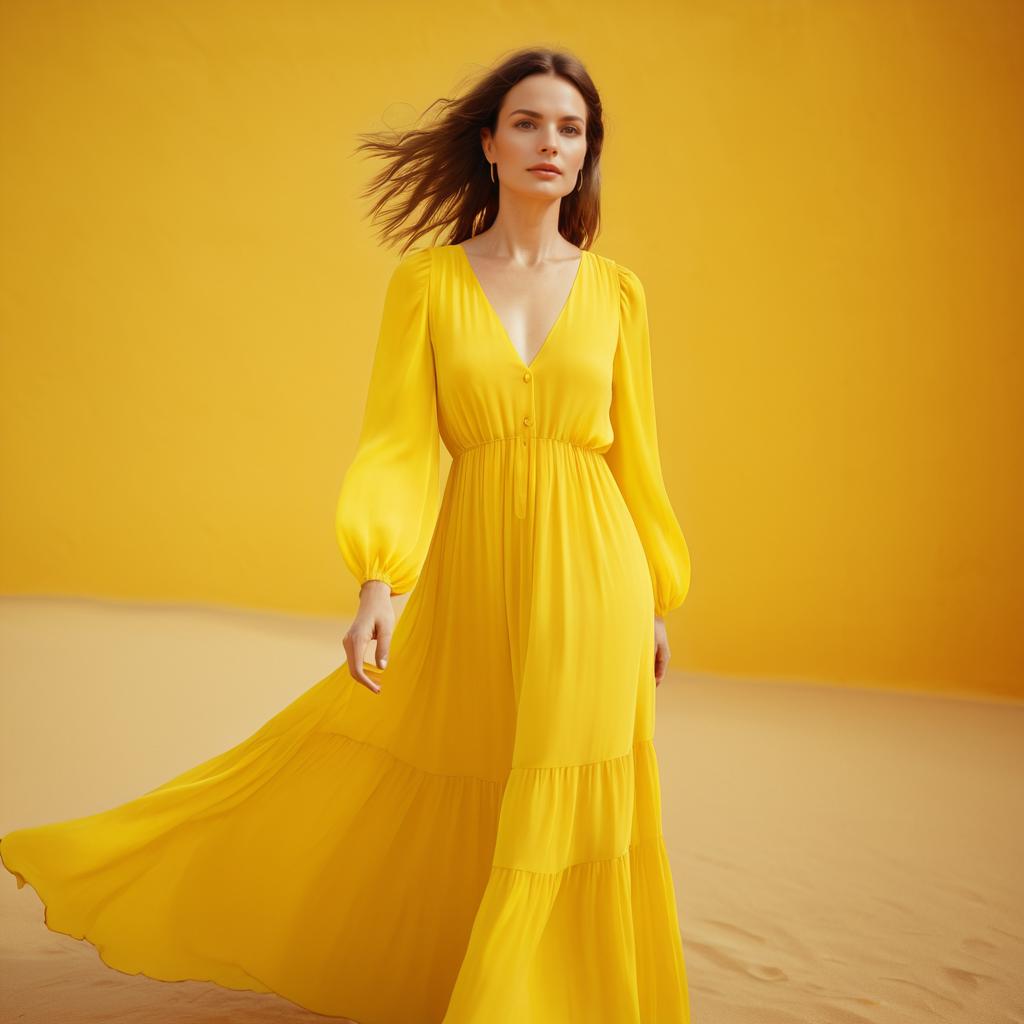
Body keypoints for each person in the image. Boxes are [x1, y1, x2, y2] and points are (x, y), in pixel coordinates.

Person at [0, 46, 693, 1024]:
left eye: (570, 128)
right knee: (466, 768)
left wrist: (655, 594)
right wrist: (378, 584)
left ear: (587, 156)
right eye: (529, 123)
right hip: (471, 570)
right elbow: (399, 444)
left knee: (567, 792)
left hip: (598, 579)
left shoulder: (620, 293)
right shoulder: (428, 284)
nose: (550, 143)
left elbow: (639, 461)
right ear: (489, 143)